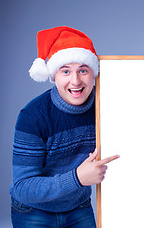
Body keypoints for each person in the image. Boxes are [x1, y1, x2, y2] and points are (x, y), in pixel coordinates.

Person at [9, 26, 120, 228]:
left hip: (78, 207)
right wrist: (77, 178)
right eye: (66, 71)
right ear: (54, 75)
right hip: (34, 210)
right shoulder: (33, 116)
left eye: (83, 71)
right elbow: (23, 187)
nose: (75, 81)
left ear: (93, 74)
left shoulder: (104, 106)